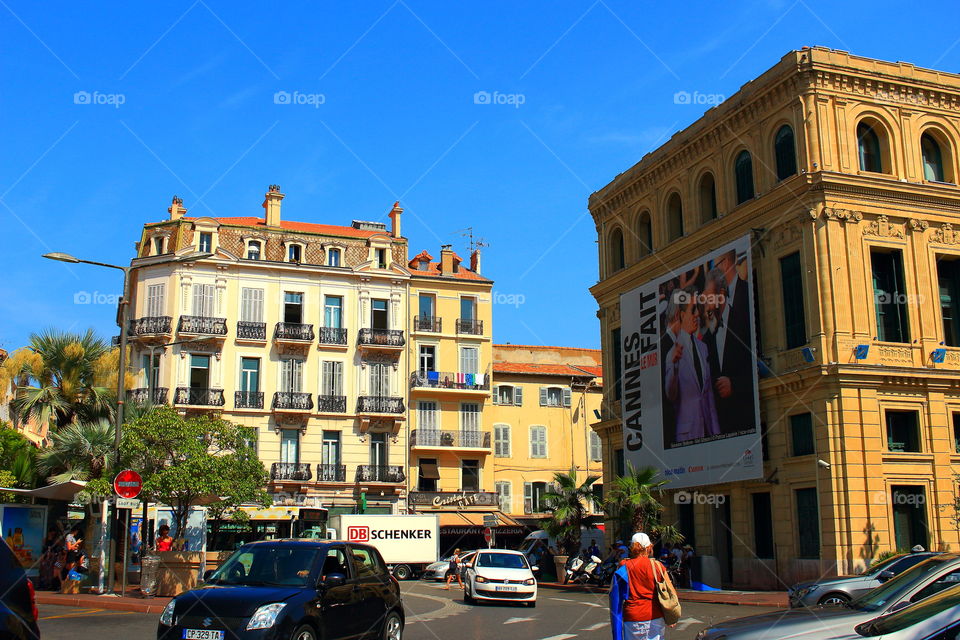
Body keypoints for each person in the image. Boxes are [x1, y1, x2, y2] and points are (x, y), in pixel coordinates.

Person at [664, 288, 720, 443]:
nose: (697, 314)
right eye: (693, 310)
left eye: (697, 309)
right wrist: (674, 366)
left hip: (708, 433)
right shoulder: (672, 351)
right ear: (681, 315)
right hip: (687, 435)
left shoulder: (703, 348)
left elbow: (709, 396)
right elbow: (670, 394)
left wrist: (717, 434)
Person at [609, 532, 676, 640]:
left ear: (632, 547)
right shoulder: (658, 566)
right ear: (649, 547)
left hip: (632, 618)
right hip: (655, 617)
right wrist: (671, 615)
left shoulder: (624, 566)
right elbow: (670, 591)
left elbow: (615, 598)